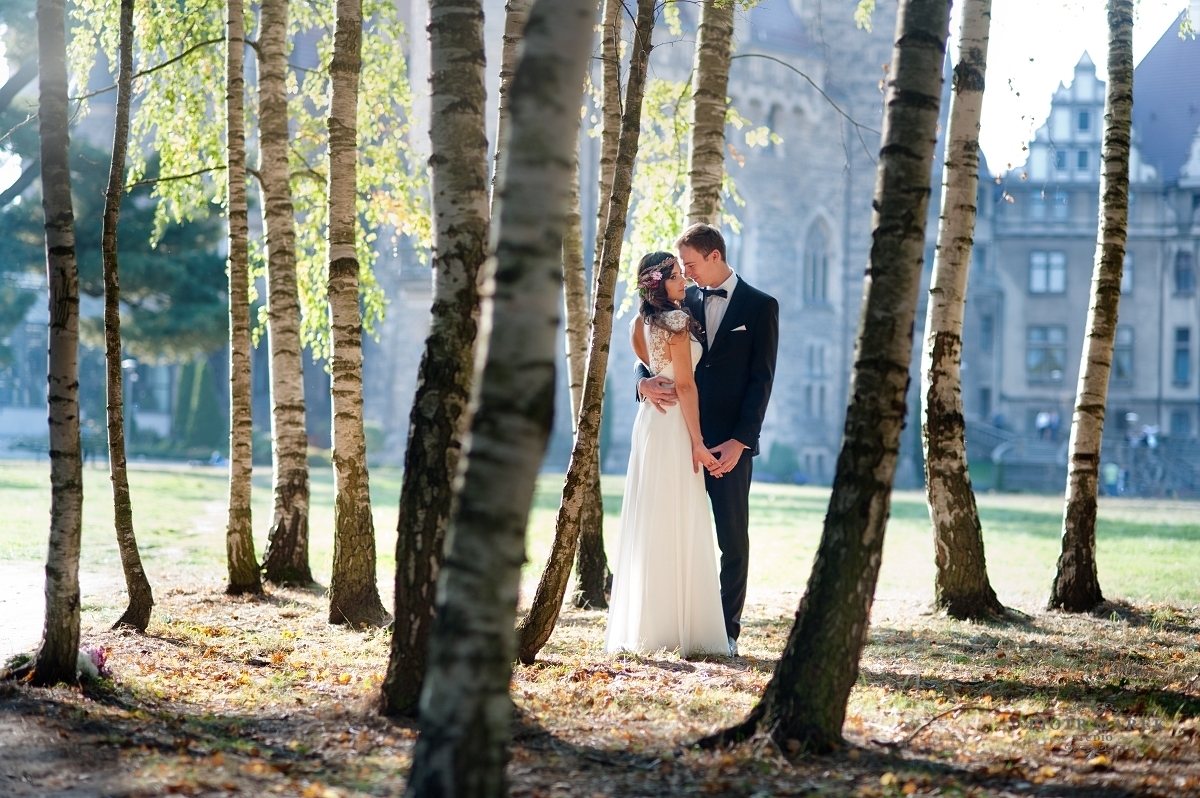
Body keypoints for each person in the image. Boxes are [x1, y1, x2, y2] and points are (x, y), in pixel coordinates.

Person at [634, 224, 779, 657]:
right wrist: (642, 385)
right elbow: (650, 352)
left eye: (692, 264)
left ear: (714, 256)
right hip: (681, 438)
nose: (689, 273)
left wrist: (741, 441)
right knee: (681, 532)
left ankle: (726, 630)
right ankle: (681, 622)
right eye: (684, 269)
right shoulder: (680, 299)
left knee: (732, 539)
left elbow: (761, 381)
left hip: (729, 443)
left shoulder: (760, 306)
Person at [604, 251, 729, 657]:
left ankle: (650, 625)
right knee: (677, 514)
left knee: (653, 515)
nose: (685, 281)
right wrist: (697, 440)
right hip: (674, 425)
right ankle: (681, 626)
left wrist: (649, 385)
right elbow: (685, 386)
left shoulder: (638, 323)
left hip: (650, 426)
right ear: (660, 283)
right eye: (677, 276)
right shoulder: (675, 321)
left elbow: (650, 368)